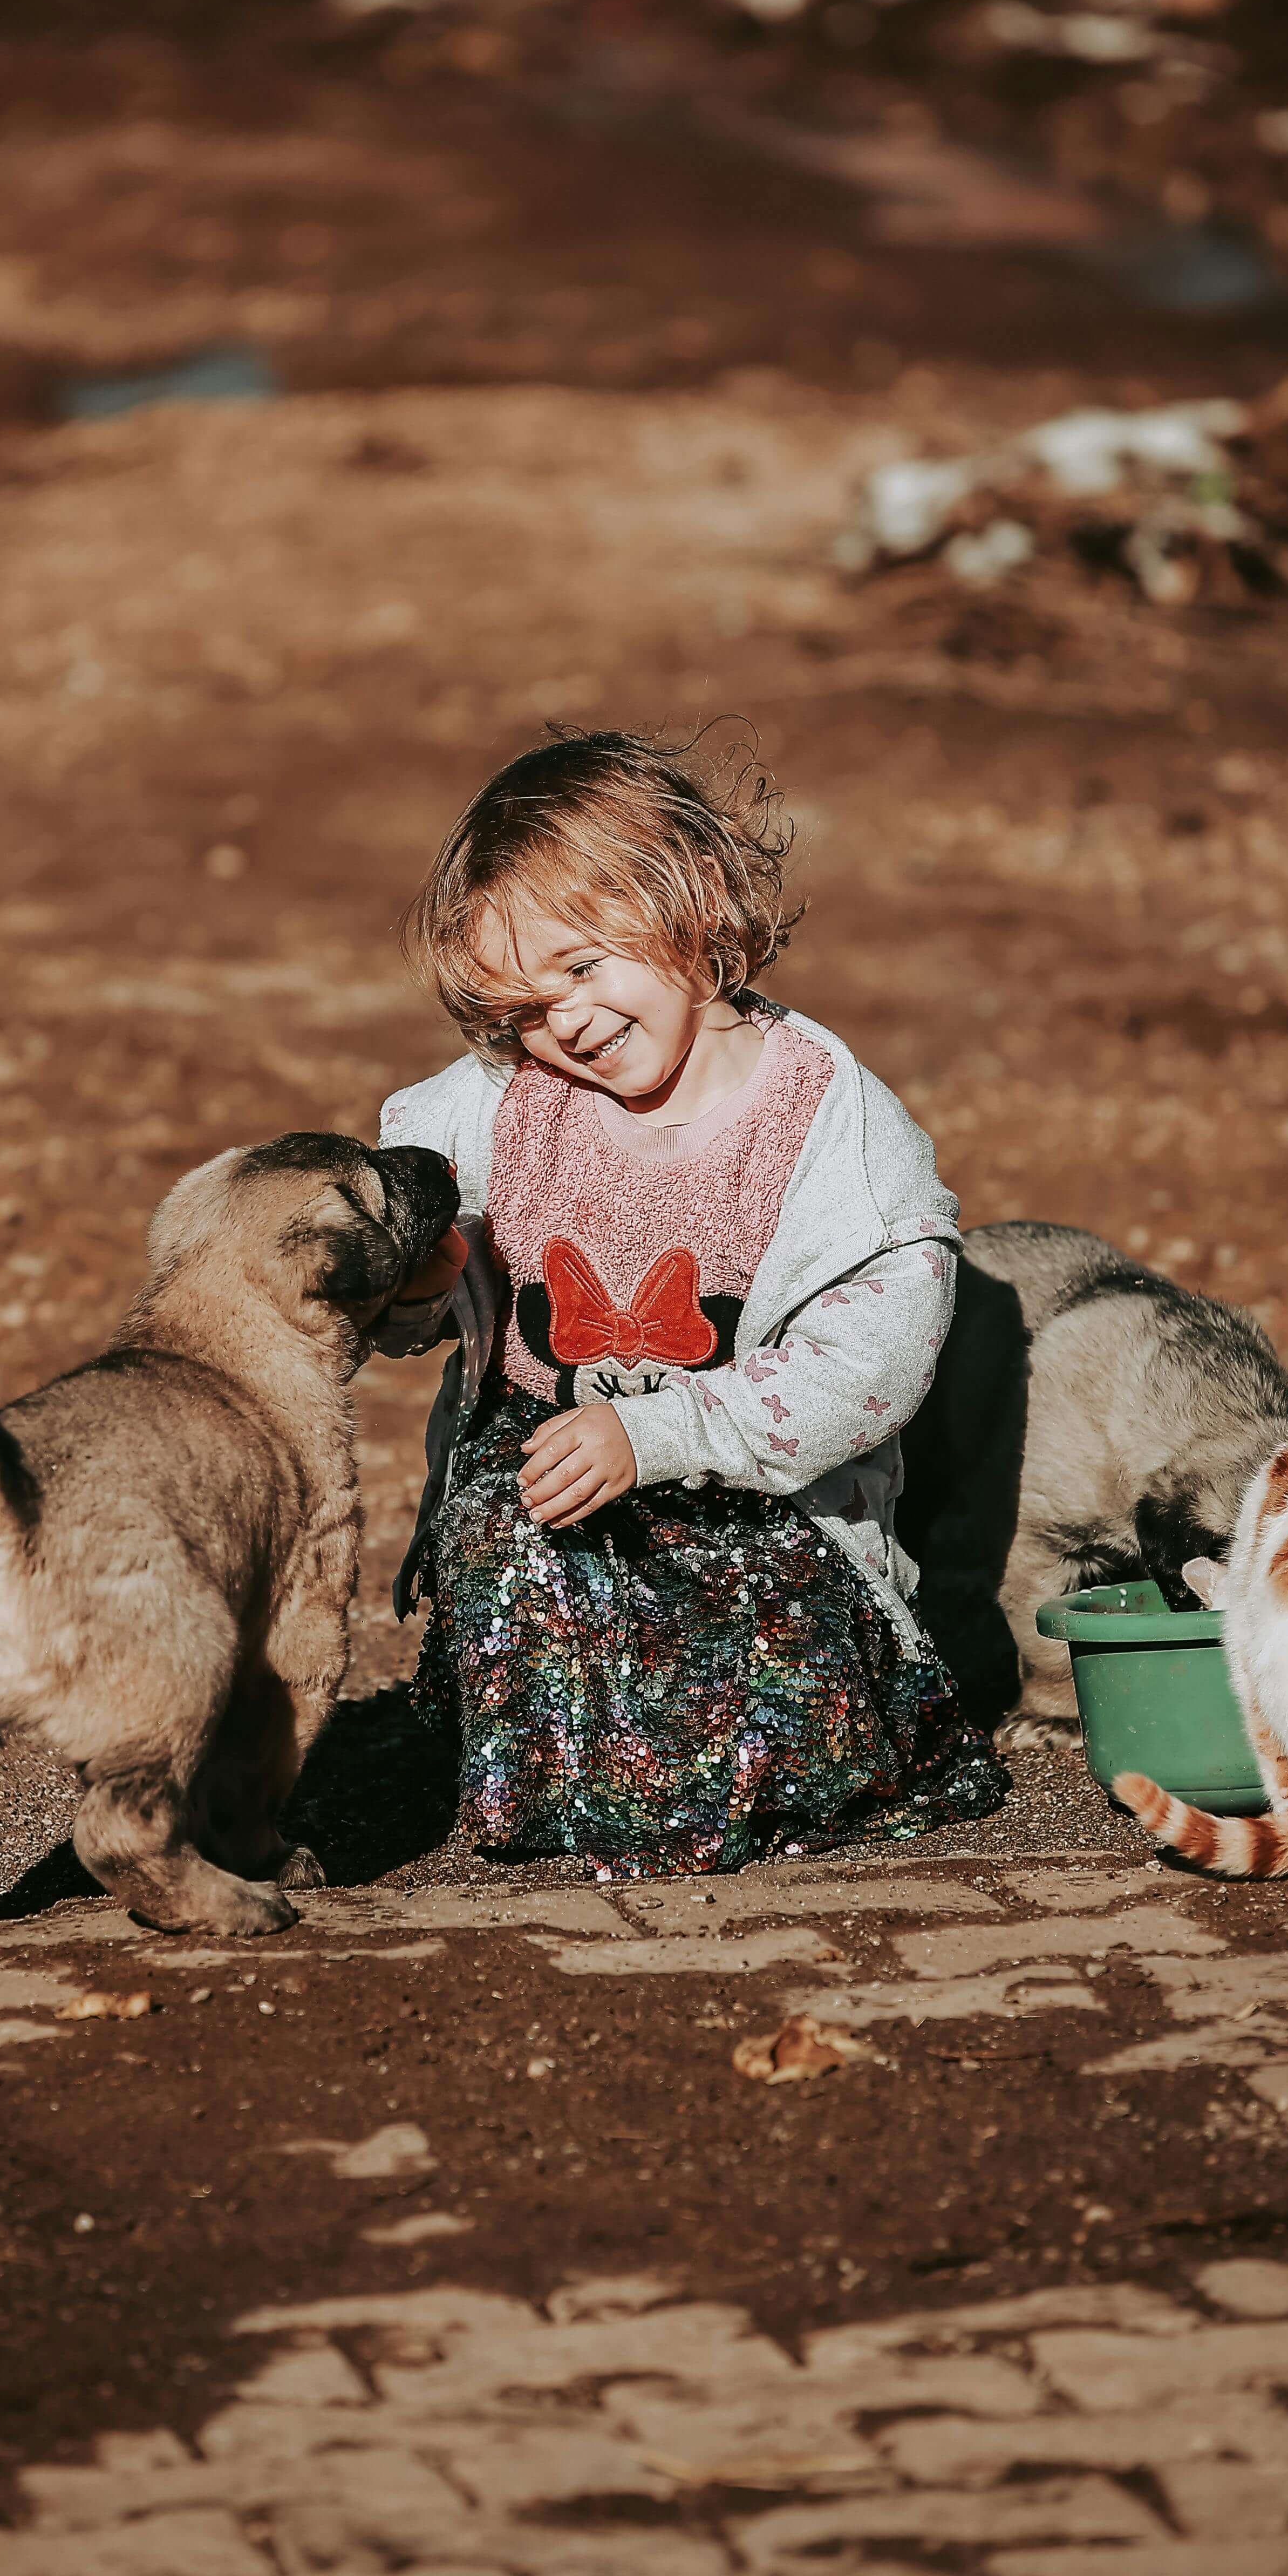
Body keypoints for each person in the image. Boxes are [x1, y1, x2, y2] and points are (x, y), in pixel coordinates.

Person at [369, 728, 1007, 1880]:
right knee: (511, 1531)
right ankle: (557, 1773)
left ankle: (679, 1777)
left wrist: (661, 1433)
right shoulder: (505, 1102)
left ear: (696, 900)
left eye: (581, 967)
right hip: (556, 1468)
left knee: (773, 1668)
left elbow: (872, 1358)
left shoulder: (831, 1129)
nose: (565, 1022)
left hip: (760, 1499)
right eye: (526, 1006)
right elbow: (406, 1228)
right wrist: (418, 1275)